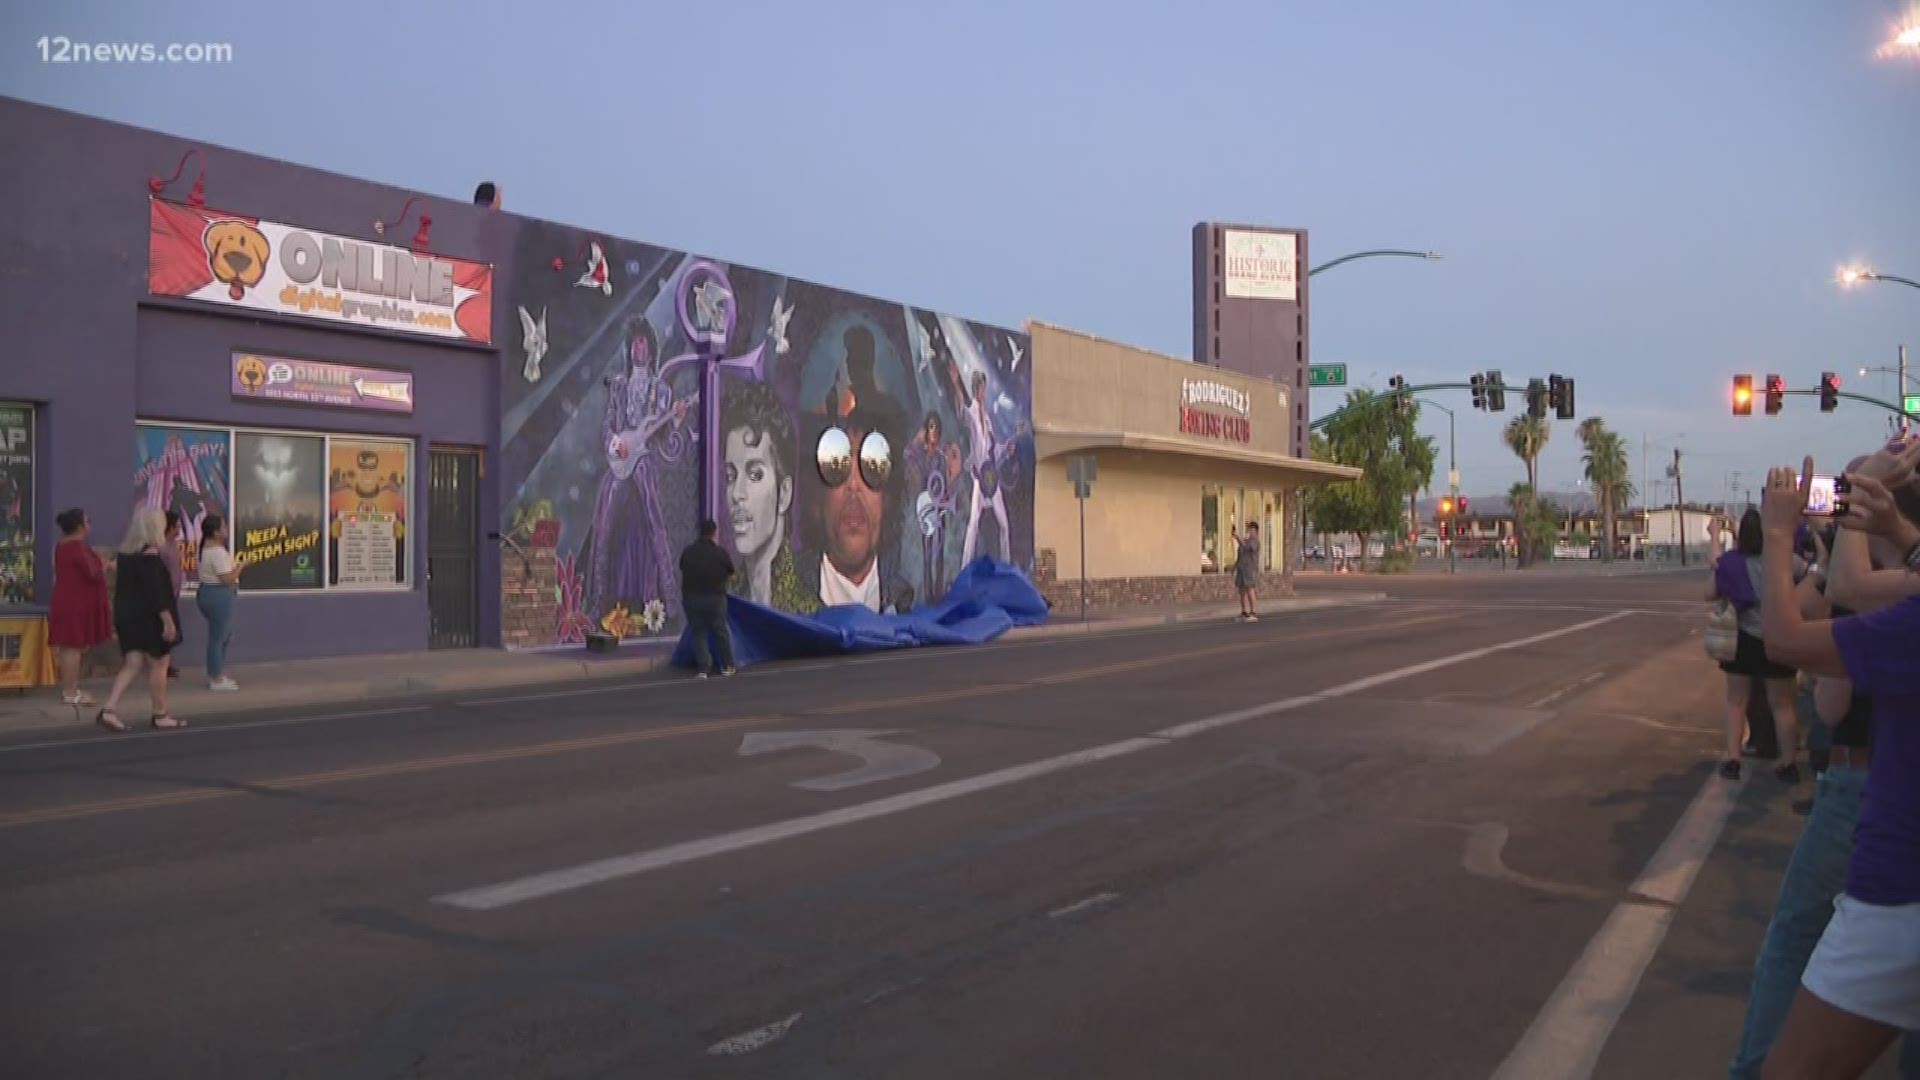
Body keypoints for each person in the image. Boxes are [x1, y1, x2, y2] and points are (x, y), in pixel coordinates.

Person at [1753, 439, 1920, 1079]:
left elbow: (1783, 637)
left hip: (1899, 891)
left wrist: (1777, 532)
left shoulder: (1906, 622)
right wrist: (1897, 529)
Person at [586, 318, 689, 626]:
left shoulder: (661, 390)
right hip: (620, 464)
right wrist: (615, 443)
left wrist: (676, 420)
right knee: (604, 526)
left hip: (643, 463)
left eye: (642, 342)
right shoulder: (618, 386)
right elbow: (607, 426)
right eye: (634, 342)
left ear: (651, 349)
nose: (637, 347)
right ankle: (597, 602)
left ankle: (669, 602)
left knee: (656, 527)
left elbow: (666, 439)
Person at [1709, 509, 1802, 782]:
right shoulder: (1786, 560)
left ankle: (1733, 760)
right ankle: (1789, 762)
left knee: (1736, 702)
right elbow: (1813, 571)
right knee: (1783, 705)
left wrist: (1715, 535)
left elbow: (1715, 571)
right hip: (1779, 635)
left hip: (1744, 638)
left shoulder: (1733, 562)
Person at [721, 380, 816, 613]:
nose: (737, 493)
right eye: (730, 476)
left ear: (784, 493)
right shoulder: (722, 606)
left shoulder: (807, 614)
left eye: (755, 475)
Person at [97, 507, 185, 732]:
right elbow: (156, 593)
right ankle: (160, 714)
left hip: (127, 616)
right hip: (149, 618)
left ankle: (109, 709)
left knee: (133, 663)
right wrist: (167, 621)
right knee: (159, 664)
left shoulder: (126, 555)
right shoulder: (150, 556)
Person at [47, 507, 111, 707]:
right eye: (87, 520)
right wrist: (105, 565)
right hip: (74, 604)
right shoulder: (76, 547)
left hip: (68, 601)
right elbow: (93, 572)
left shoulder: (63, 545)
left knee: (71, 647)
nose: (89, 523)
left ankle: (71, 689)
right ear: (79, 526)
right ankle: (70, 692)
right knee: (72, 648)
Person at [678, 519, 736, 679]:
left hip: (692, 599)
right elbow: (731, 572)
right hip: (715, 598)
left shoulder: (688, 552)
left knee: (698, 633)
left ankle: (703, 668)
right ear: (715, 533)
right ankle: (727, 665)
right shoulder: (720, 553)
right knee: (720, 631)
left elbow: (682, 568)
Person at [196, 514, 241, 691]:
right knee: (218, 638)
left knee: (221, 636)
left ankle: (218, 673)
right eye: (224, 527)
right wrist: (241, 566)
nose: (227, 529)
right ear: (215, 532)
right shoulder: (216, 552)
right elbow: (227, 579)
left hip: (210, 593)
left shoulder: (207, 549)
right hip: (219, 595)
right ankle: (216, 678)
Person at [159, 510, 185, 680]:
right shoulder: (161, 547)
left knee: (173, 631)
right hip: (164, 595)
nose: (179, 529)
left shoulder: (174, 545)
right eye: (177, 526)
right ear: (169, 527)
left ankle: (166, 663)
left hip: (173, 594)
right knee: (166, 630)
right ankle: (162, 665)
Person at [1235, 521, 1262, 621]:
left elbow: (1249, 549)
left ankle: (1253, 612)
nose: (1250, 531)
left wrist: (1239, 539)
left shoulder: (1255, 541)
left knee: (1250, 589)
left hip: (1250, 569)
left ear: (1256, 531)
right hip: (1242, 568)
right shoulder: (1246, 540)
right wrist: (1235, 566)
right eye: (1249, 529)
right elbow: (1241, 552)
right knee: (1242, 590)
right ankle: (1244, 612)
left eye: (1252, 529)